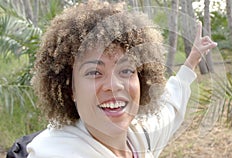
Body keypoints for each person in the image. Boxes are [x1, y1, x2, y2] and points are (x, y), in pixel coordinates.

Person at [26, 1, 217, 158]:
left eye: (126, 70)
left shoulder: (140, 137)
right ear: (71, 89)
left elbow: (169, 106)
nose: (114, 85)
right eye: (94, 73)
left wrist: (191, 62)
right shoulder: (54, 152)